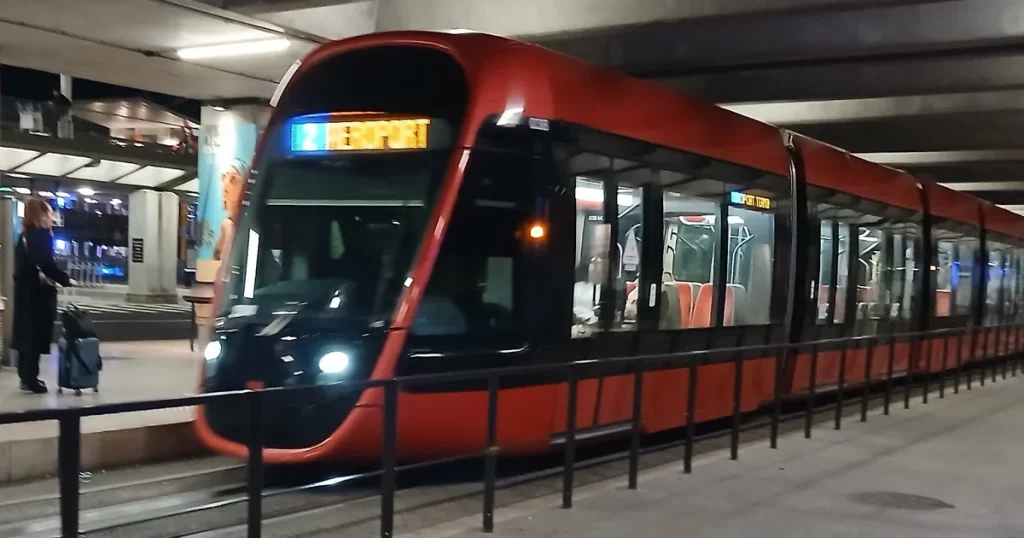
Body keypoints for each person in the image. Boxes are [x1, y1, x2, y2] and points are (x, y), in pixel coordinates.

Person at [12, 198, 74, 393]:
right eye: (48, 213)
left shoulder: (24, 235)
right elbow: (46, 264)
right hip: (37, 294)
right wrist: (64, 279)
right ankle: (31, 379)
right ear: (42, 214)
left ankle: (24, 376)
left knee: (25, 334)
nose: (51, 217)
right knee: (35, 335)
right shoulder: (41, 235)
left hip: (24, 291)